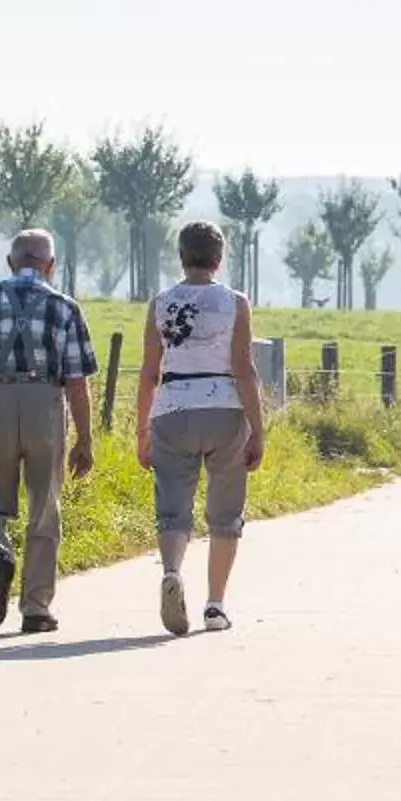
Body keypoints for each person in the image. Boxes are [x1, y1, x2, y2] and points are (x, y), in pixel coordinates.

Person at [0, 228, 99, 634]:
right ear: (50, 265)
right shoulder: (65, 307)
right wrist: (84, 438)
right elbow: (78, 382)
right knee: (44, 507)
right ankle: (35, 608)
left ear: (10, 263)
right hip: (45, 405)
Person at [133, 219, 265, 635]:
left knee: (173, 507)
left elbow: (148, 372)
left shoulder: (161, 303)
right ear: (219, 259)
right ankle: (214, 605)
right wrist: (257, 427)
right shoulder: (235, 303)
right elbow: (244, 368)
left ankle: (172, 570)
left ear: (182, 256)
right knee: (225, 514)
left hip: (172, 407)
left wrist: (141, 429)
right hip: (224, 406)